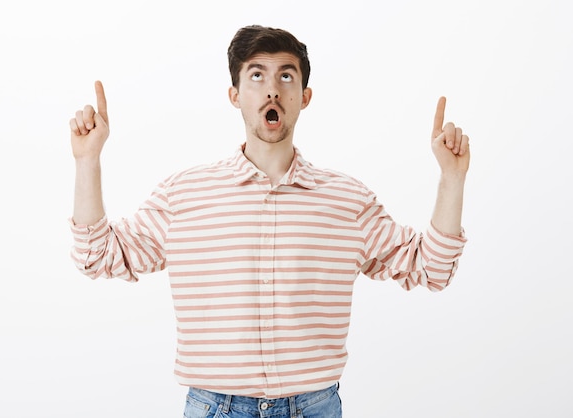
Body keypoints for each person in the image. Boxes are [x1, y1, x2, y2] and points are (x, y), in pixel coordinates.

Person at [68, 25, 469, 418]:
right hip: (215, 407)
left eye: (286, 76)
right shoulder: (183, 195)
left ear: (304, 96)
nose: (272, 88)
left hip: (314, 407)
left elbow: (431, 267)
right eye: (256, 75)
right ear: (236, 95)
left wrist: (452, 179)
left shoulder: (347, 201)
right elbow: (97, 255)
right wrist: (87, 161)